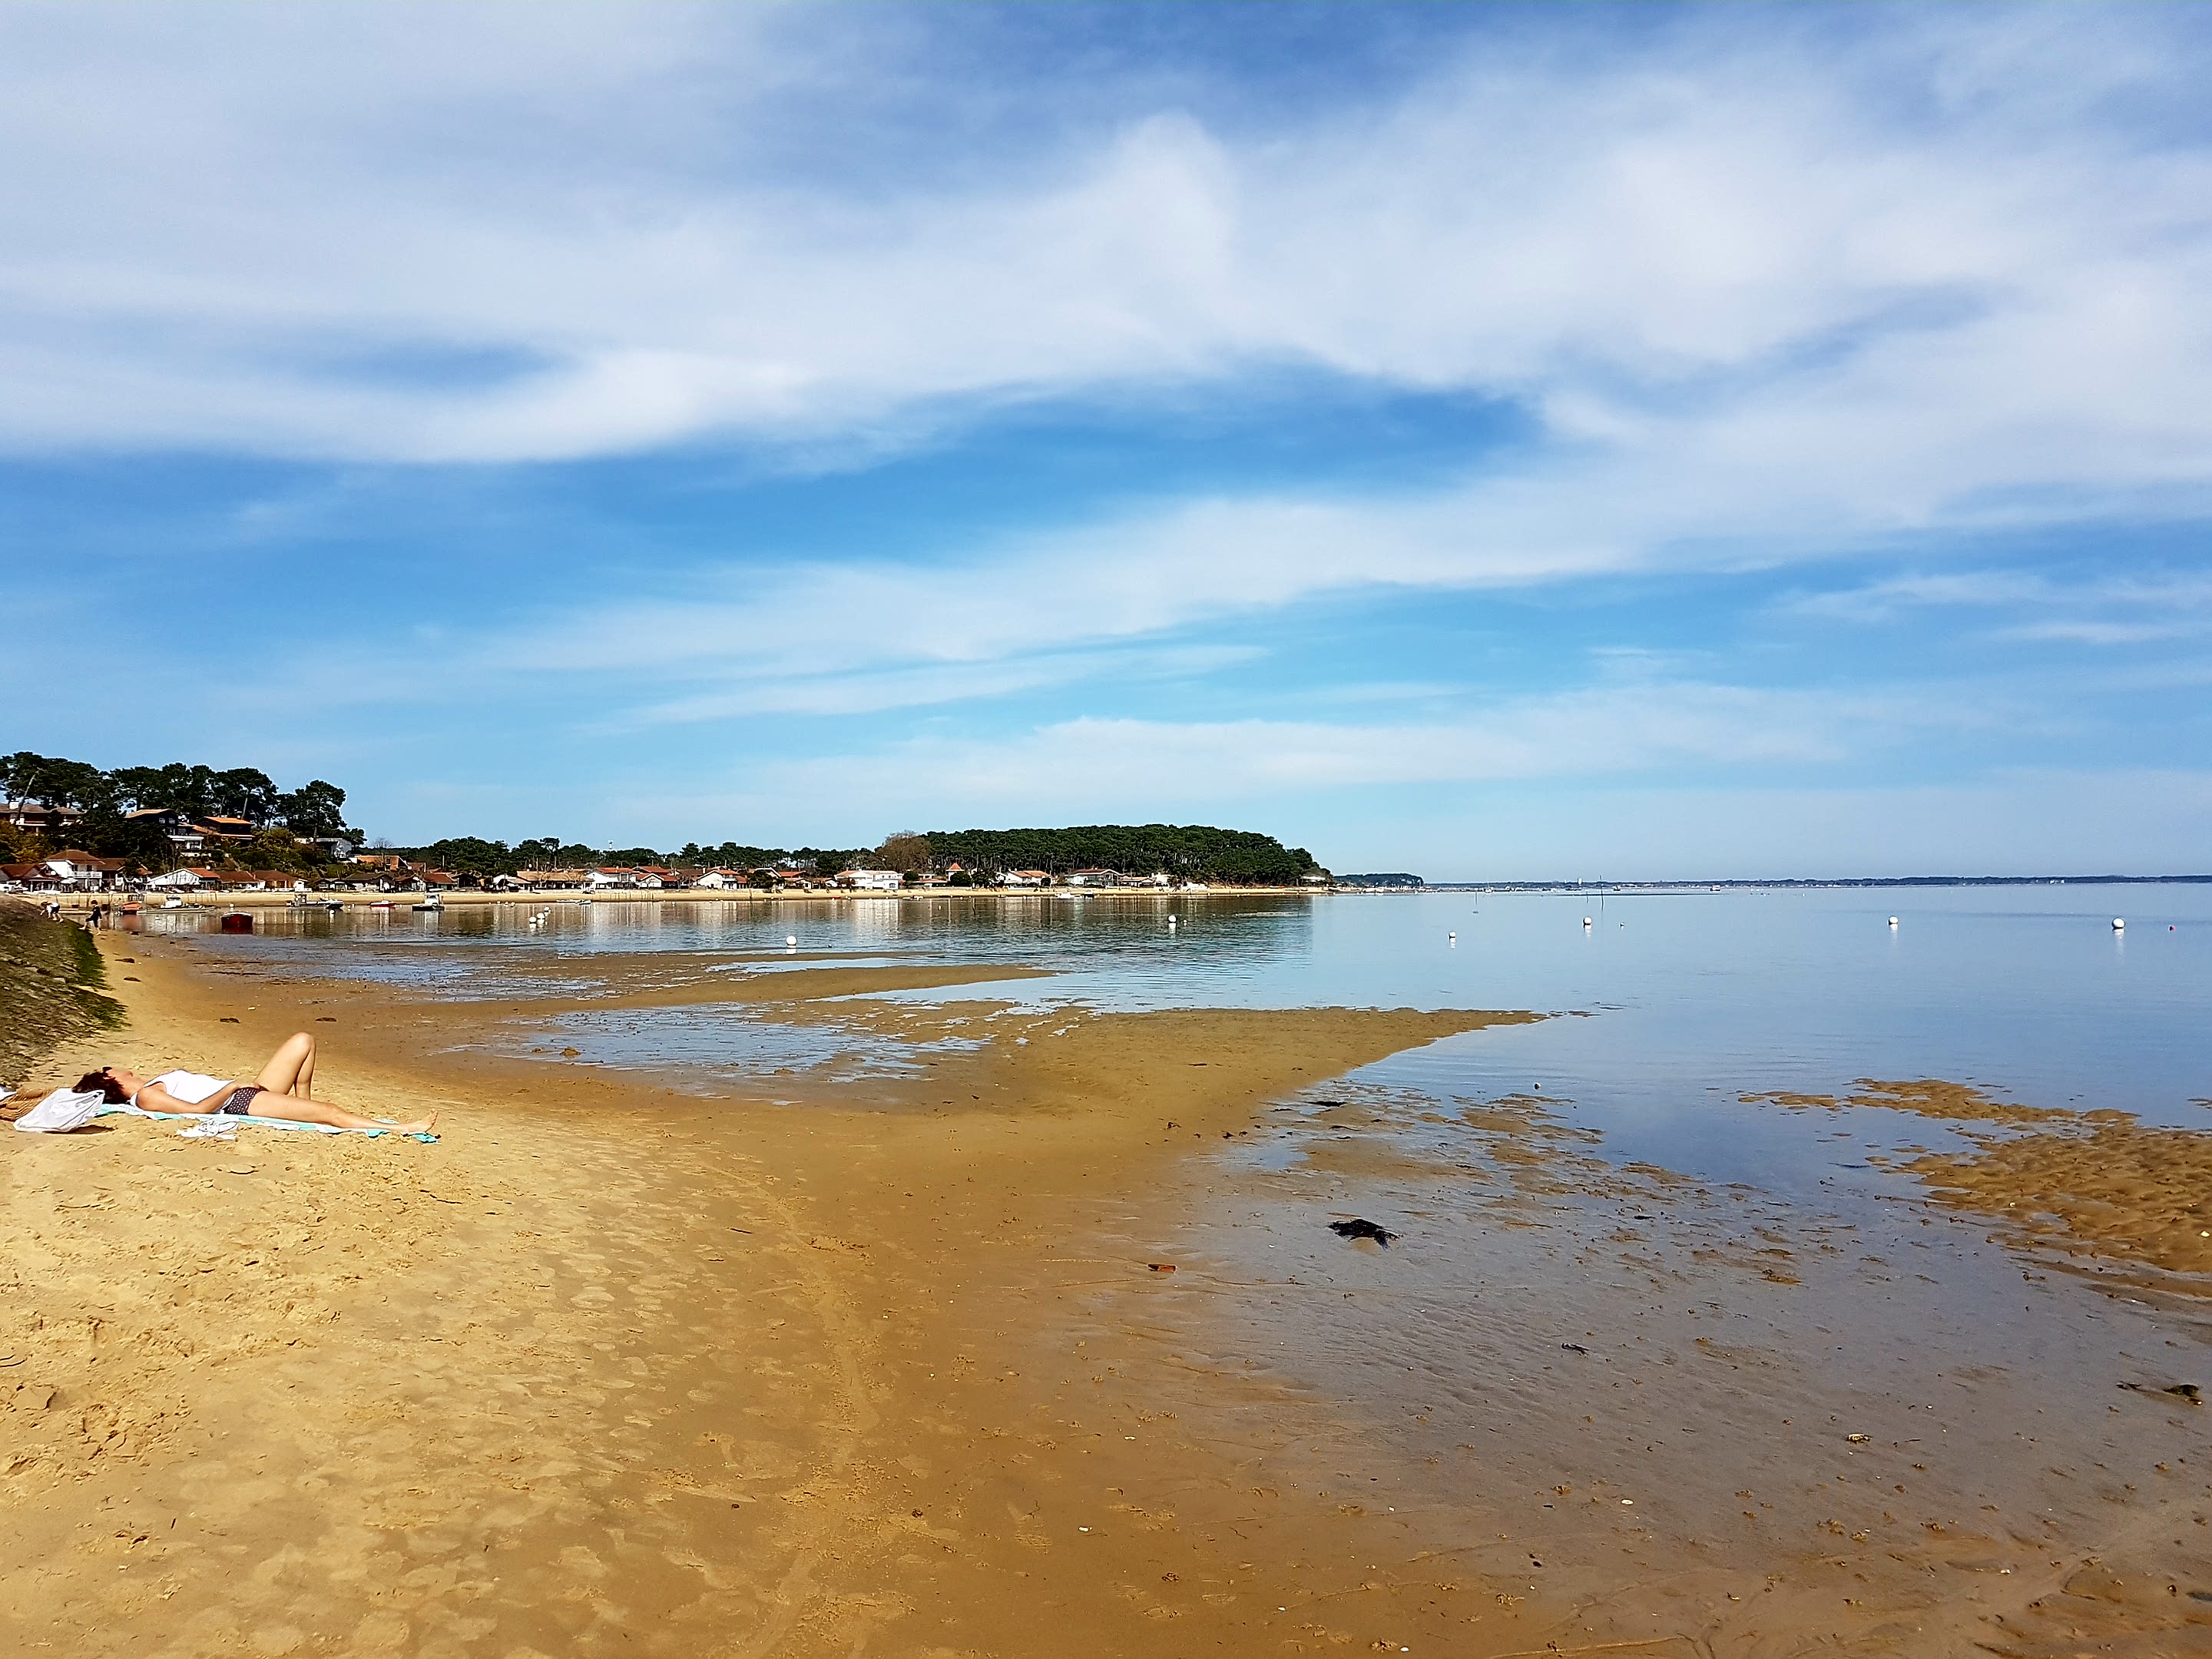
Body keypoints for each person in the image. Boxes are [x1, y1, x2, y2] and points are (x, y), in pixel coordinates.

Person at [78, 1031, 436, 1134]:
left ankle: (302, 1107)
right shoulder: (146, 1097)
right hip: (241, 1102)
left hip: (250, 1093)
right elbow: (197, 1112)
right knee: (329, 1113)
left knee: (303, 1040)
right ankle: (403, 1129)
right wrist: (232, 1087)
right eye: (113, 1067)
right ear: (111, 1079)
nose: (122, 1066)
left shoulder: (151, 1084)